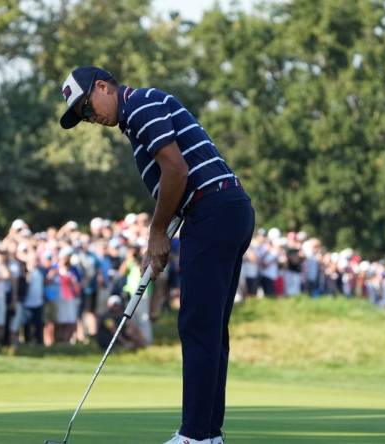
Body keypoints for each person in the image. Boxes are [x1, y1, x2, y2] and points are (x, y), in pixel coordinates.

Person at [59, 66, 255, 444]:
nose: (90, 118)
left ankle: (196, 435)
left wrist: (156, 231)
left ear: (103, 87)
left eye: (87, 107)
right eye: (83, 116)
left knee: (198, 326)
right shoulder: (139, 115)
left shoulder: (141, 107)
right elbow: (179, 180)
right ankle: (209, 434)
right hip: (225, 209)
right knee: (210, 329)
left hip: (213, 210)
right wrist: (162, 234)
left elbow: (176, 170)